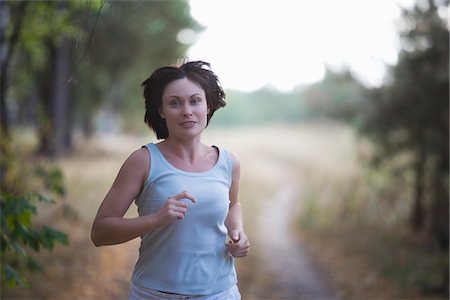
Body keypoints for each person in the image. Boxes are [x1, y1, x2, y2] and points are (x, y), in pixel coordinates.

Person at [91, 60, 250, 299]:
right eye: (175, 103)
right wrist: (155, 219)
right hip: (155, 294)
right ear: (161, 110)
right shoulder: (143, 161)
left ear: (208, 106)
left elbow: (233, 204)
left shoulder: (229, 162)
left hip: (220, 293)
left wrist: (237, 231)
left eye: (195, 101)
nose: (187, 111)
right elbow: (100, 232)